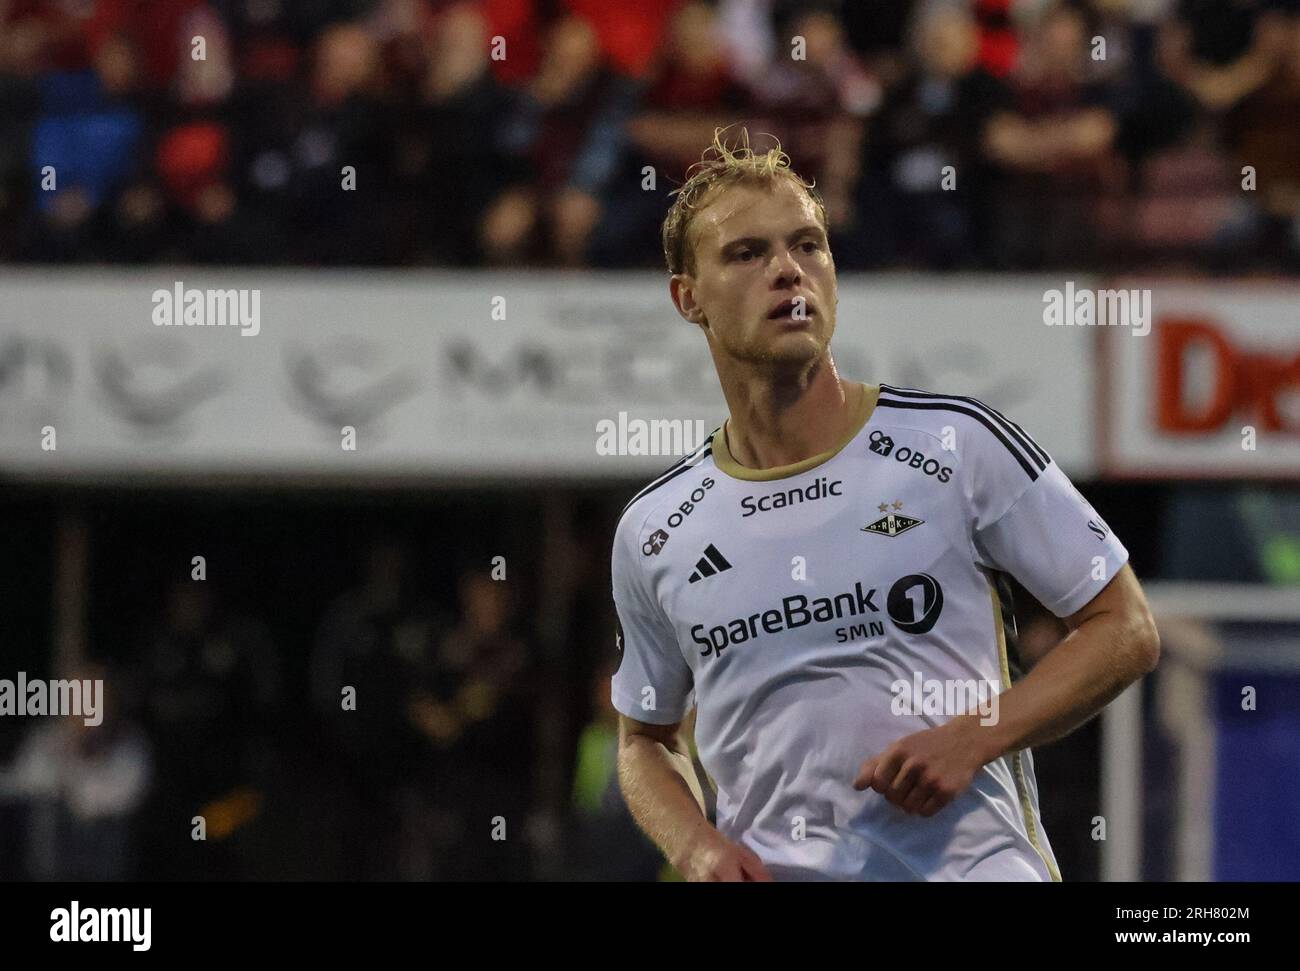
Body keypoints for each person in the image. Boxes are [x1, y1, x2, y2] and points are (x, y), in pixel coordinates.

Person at [609, 127, 1160, 882]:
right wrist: (696, 844)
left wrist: (975, 736)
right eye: (748, 253)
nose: (788, 271)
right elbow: (644, 738)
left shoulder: (957, 443)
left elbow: (1124, 627)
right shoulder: (654, 528)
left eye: (808, 245)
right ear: (688, 297)